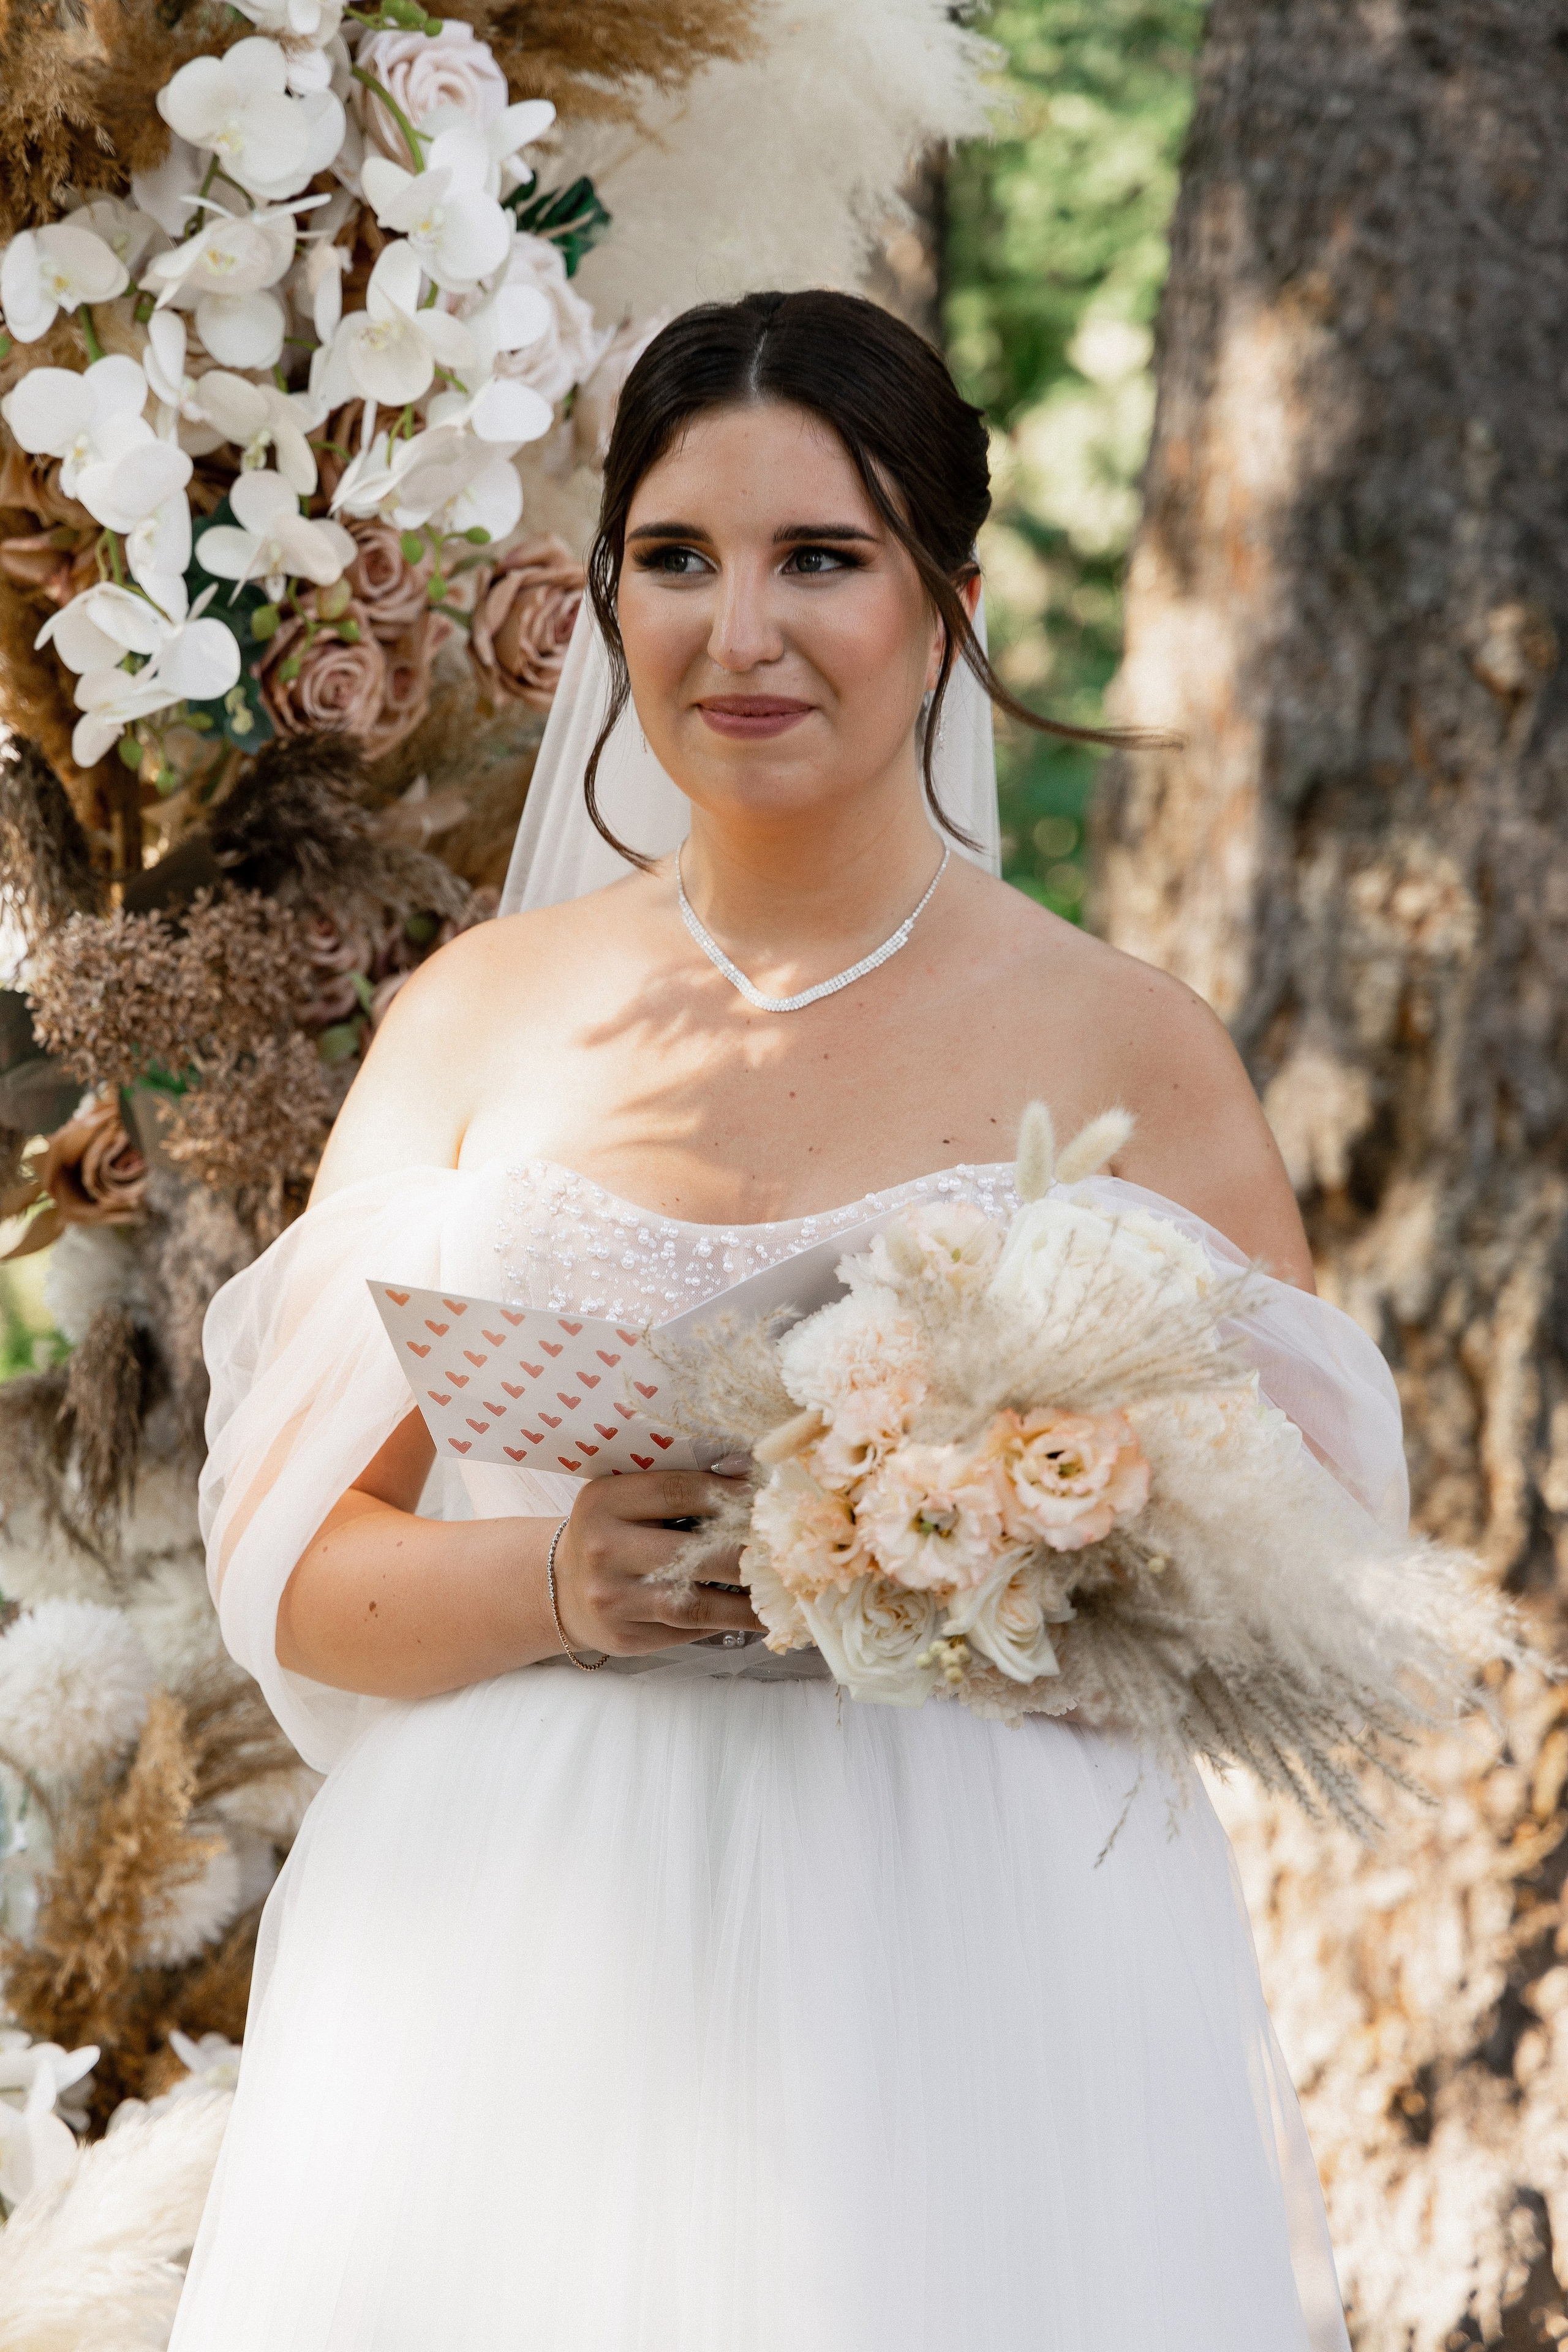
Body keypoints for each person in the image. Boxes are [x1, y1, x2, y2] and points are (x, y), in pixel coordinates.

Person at [173, 290, 1399, 2350]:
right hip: (515, 1960)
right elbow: (291, 1571)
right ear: (606, 602)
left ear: (948, 603)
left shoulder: (1130, 1048)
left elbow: (1307, 1577)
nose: (738, 635)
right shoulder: (472, 1022)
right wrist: (564, 1578)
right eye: (677, 559)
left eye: (819, 558)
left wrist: (995, 1530)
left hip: (983, 1966)